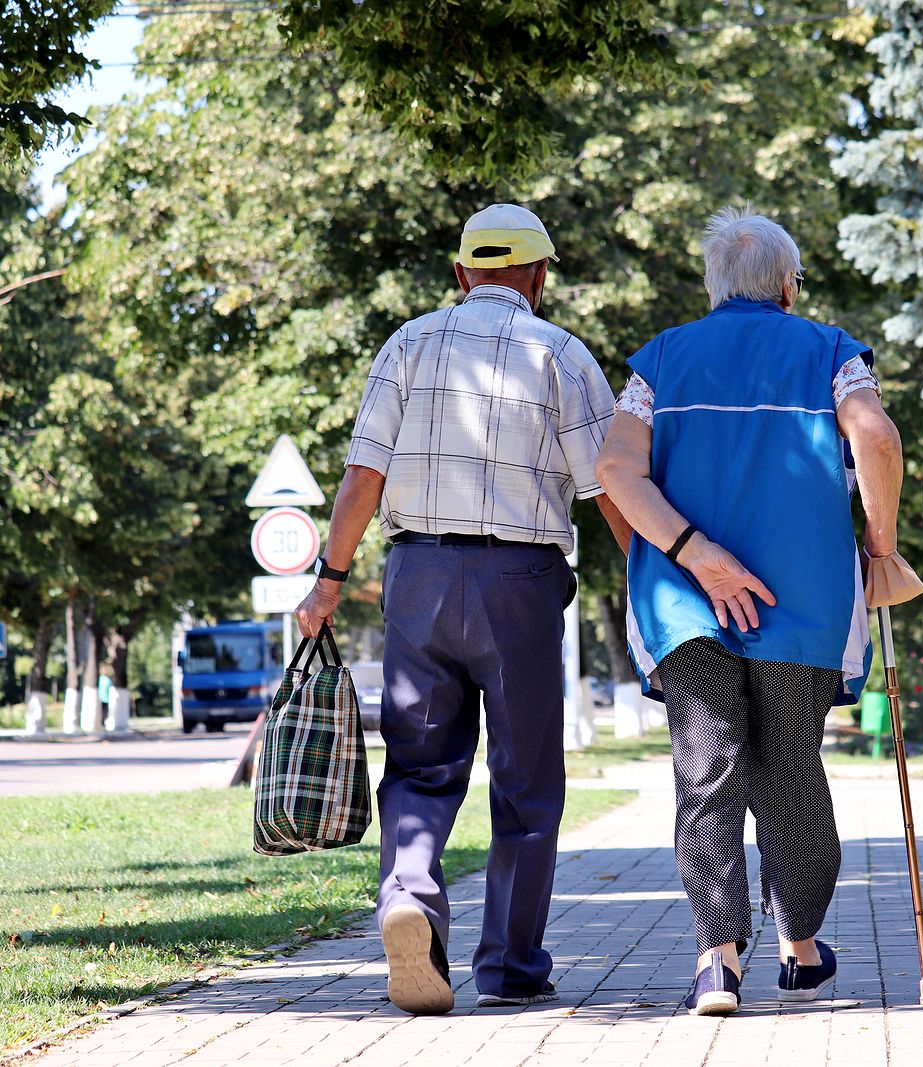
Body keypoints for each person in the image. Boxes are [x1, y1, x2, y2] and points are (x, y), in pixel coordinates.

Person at [295, 203, 631, 1016]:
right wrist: (652, 579)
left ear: (459, 276)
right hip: (519, 583)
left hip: (418, 577)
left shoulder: (408, 343)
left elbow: (362, 479)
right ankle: (512, 970)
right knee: (525, 781)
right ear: (539, 277)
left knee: (419, 762)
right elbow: (611, 487)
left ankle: (409, 893)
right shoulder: (561, 353)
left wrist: (329, 578)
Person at [595, 207, 917, 1016]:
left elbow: (614, 471)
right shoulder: (830, 351)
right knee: (789, 768)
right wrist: (880, 543)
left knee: (707, 771)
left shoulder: (659, 361)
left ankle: (716, 962)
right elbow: (875, 436)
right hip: (800, 599)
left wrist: (694, 552)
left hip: (684, 600)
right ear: (786, 284)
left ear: (712, 289)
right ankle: (801, 945)